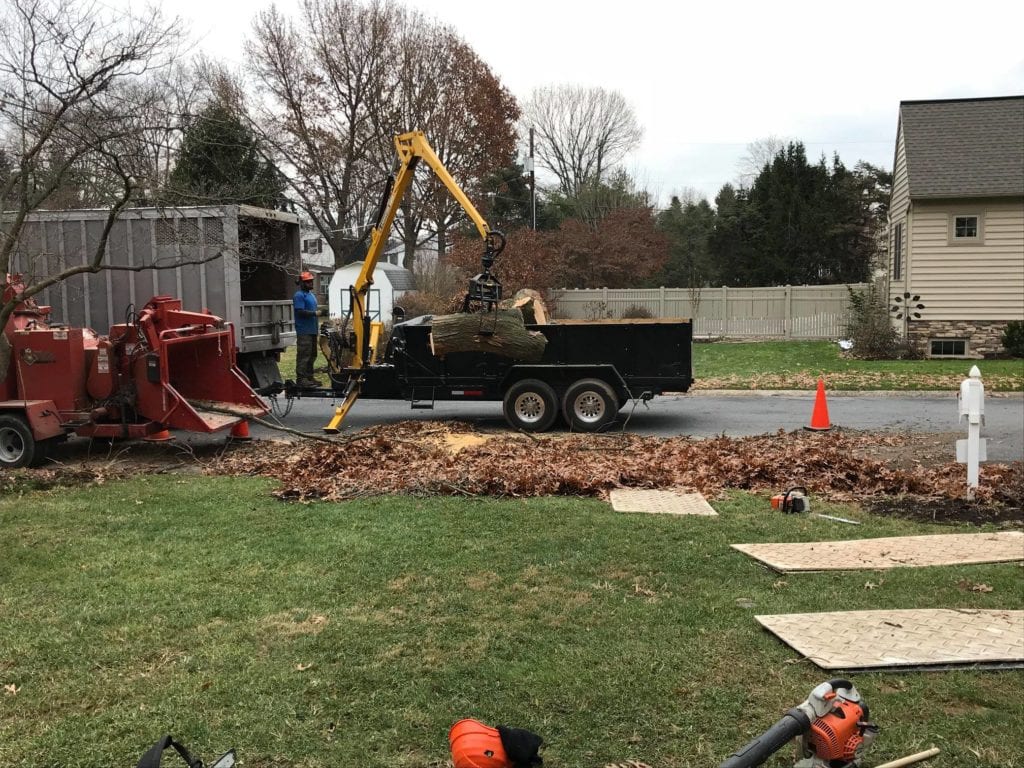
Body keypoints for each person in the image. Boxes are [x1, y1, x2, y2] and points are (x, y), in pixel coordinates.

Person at [293, 271, 322, 387]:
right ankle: (301, 379)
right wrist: (315, 313)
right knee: (304, 355)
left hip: (313, 330)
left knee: (312, 355)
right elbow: (300, 312)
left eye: (311, 281)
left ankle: (309, 377)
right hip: (304, 330)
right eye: (308, 282)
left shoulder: (311, 295)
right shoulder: (299, 296)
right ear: (302, 283)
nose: (311, 283)